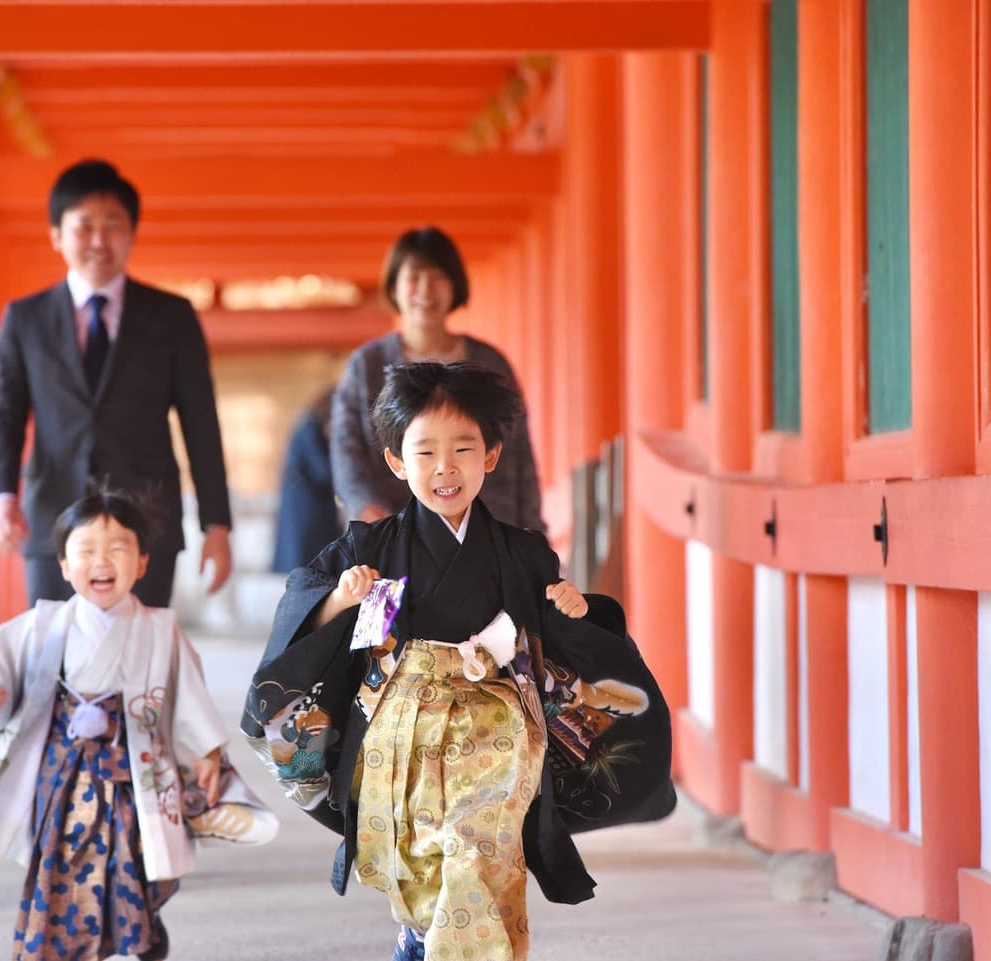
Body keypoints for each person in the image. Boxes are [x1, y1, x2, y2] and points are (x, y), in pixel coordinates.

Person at [242, 364, 675, 961]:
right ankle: (421, 939)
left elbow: (560, 632)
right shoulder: (371, 547)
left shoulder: (521, 553)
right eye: (426, 452)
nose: (445, 467)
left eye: (463, 448)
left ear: (491, 456)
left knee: (480, 849)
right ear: (397, 462)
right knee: (420, 859)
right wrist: (341, 598)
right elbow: (305, 612)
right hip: (402, 728)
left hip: (497, 726)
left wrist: (573, 607)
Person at [0, 487, 277, 961]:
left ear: (142, 562)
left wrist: (206, 752)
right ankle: (65, 947)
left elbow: (188, 695)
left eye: (118, 549)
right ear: (63, 564)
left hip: (132, 776)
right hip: (61, 778)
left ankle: (135, 936)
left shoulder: (159, 629)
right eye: (85, 550)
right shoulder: (42, 625)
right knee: (62, 864)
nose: (101, 561)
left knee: (134, 860)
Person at [0, 158, 233, 607]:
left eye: (113, 225)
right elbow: (3, 415)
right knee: (53, 662)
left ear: (132, 233)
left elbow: (200, 423)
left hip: (146, 523)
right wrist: (1, 497)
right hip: (52, 520)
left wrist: (216, 524)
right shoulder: (25, 320)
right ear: (56, 236)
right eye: (84, 226)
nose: (99, 241)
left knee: (141, 664)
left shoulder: (171, 317)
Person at [331, 226, 545, 531]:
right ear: (394, 287)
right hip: (394, 529)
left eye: (437, 277)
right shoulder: (367, 365)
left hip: (489, 529)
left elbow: (518, 454)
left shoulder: (489, 363)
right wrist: (367, 509)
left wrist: (533, 534)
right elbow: (346, 450)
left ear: (454, 283)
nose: (426, 290)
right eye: (414, 278)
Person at [271, 386, 342, 574]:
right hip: (306, 508)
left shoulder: (310, 426)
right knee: (306, 564)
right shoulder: (309, 428)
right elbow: (322, 470)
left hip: (310, 507)